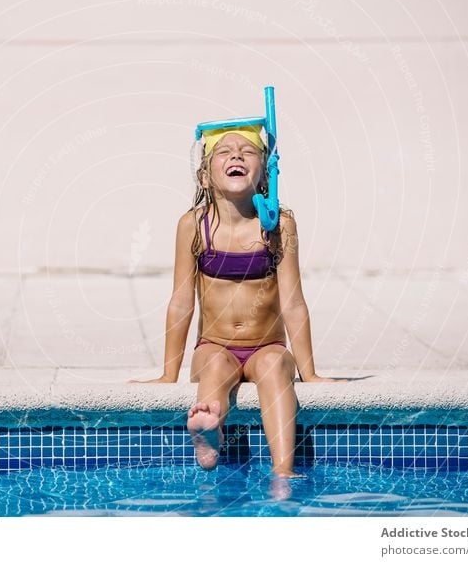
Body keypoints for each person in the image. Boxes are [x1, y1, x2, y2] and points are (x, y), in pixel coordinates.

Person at [135, 124, 345, 478]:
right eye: (224, 152)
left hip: (267, 344)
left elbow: (293, 302)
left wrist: (309, 373)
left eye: (247, 152)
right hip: (214, 344)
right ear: (204, 177)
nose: (236, 155)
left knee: (276, 368)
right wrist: (167, 374)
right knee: (215, 365)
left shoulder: (278, 225)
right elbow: (182, 301)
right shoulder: (193, 225)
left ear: (264, 173)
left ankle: (283, 470)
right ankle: (209, 433)